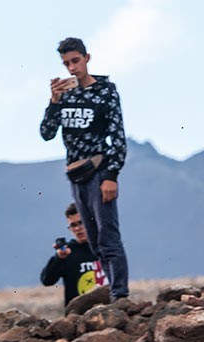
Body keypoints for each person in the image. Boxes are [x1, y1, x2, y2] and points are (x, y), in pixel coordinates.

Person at [39, 36, 130, 300]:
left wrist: (111, 176)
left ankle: (120, 296)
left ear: (87, 58)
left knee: (108, 237)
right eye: (66, 63)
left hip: (99, 171)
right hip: (75, 175)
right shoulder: (65, 94)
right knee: (93, 241)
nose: (72, 68)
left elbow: (118, 136)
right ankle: (111, 292)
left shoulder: (105, 91)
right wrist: (54, 101)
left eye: (76, 61)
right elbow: (46, 133)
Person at [40, 203, 105, 308]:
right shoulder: (68, 252)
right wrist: (58, 258)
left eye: (81, 223)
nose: (78, 228)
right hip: (77, 317)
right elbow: (46, 280)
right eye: (73, 225)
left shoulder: (106, 248)